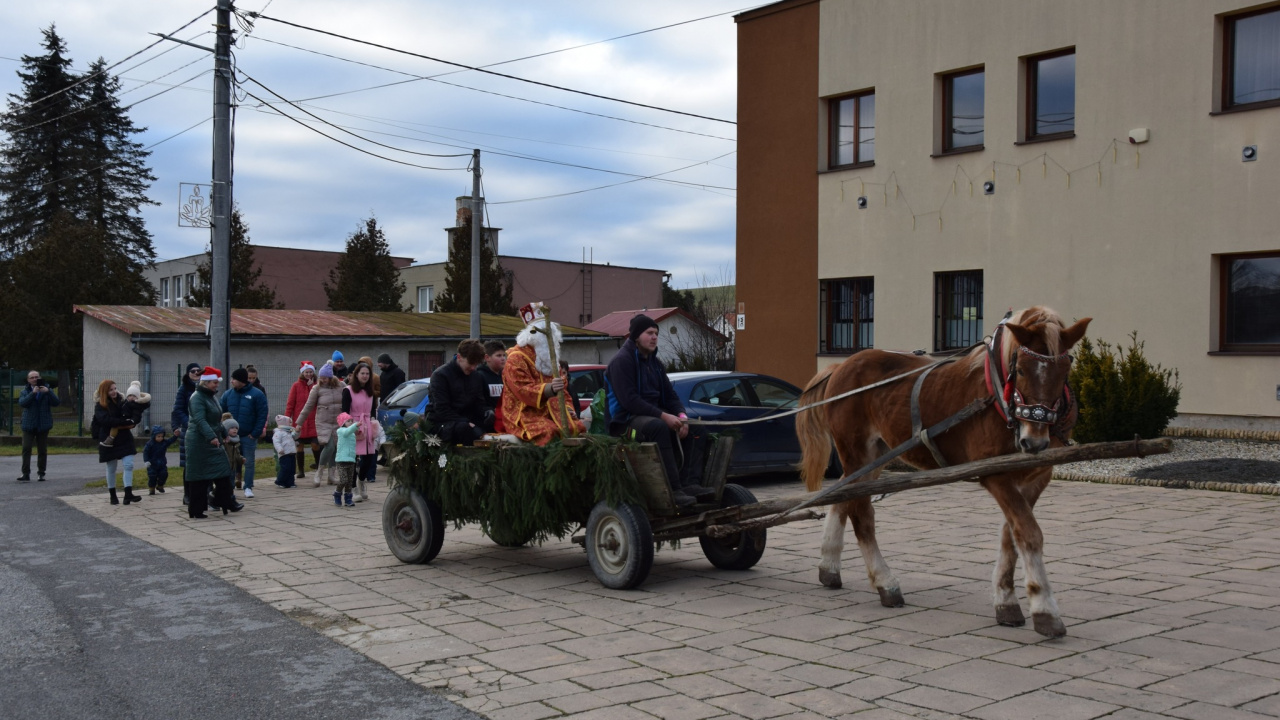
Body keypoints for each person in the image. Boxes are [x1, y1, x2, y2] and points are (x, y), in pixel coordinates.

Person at [605, 314, 712, 508]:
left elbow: (670, 396)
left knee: (697, 430)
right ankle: (673, 489)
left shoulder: (655, 364)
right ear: (636, 336)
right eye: (649, 333)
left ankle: (690, 483)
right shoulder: (622, 361)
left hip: (651, 415)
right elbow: (629, 401)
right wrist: (664, 416)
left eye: (656, 333)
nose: (654, 337)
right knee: (658, 427)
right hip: (625, 422)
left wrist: (681, 416)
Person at [502, 322, 584, 446]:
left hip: (552, 410)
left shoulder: (549, 358)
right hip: (525, 412)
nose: (552, 342)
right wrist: (549, 389)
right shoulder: (516, 358)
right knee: (548, 432)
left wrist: (568, 408)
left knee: (577, 427)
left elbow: (563, 390)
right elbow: (522, 389)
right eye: (547, 337)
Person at [184, 367, 240, 519]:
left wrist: (223, 433)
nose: (217, 385)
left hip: (212, 440)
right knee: (199, 477)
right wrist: (212, 437)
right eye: (215, 382)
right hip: (198, 442)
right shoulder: (196, 398)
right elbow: (200, 420)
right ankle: (196, 510)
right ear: (206, 382)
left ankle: (223, 500)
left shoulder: (211, 397)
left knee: (223, 471)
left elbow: (216, 419)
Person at [427, 339, 493, 446]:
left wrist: (487, 412)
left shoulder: (475, 376)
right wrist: (467, 423)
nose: (473, 368)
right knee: (464, 429)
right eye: (471, 363)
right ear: (459, 357)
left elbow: (479, 403)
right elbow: (442, 409)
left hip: (466, 420)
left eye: (476, 364)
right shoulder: (440, 375)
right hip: (443, 423)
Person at [92, 379, 143, 506]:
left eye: (115, 388)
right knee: (111, 467)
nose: (114, 391)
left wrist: (135, 416)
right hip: (109, 439)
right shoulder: (100, 405)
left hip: (124, 437)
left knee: (129, 464)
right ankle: (112, 495)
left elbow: (133, 415)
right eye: (111, 390)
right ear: (105, 391)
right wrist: (125, 422)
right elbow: (105, 420)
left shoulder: (123, 401)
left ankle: (128, 494)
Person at [295, 361, 344, 486]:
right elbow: (308, 406)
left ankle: (332, 476)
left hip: (338, 421)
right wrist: (299, 422)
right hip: (324, 422)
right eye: (321, 377)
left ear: (331, 376)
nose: (322, 380)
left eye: (325, 378)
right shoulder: (317, 388)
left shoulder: (341, 385)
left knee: (335, 448)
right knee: (329, 446)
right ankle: (319, 472)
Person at [220, 367, 268, 498]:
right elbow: (221, 414)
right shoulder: (227, 395)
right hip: (230, 437)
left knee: (249, 462)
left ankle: (248, 487)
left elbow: (262, 414)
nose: (231, 382)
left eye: (233, 379)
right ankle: (229, 488)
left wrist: (255, 433)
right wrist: (224, 433)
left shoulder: (257, 394)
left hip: (248, 435)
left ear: (241, 381)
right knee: (230, 462)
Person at [342, 362, 379, 502]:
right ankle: (352, 487)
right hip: (354, 425)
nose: (365, 376)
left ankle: (361, 480)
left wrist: (375, 426)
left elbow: (373, 411)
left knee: (369, 458)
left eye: (367, 374)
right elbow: (344, 412)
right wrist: (349, 427)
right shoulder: (348, 390)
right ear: (356, 374)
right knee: (352, 459)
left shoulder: (371, 393)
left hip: (367, 426)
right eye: (362, 373)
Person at [17, 370, 59, 482]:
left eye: (36, 377)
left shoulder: (46, 390)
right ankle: (25, 473)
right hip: (28, 424)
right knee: (26, 448)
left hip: (43, 424)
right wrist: (33, 393)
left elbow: (56, 402)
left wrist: (48, 391)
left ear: (40, 378)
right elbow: (22, 403)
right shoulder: (25, 391)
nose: (35, 379)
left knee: (42, 450)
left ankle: (41, 473)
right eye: (32, 377)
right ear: (28, 380)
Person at [172, 363, 201, 504]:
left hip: (202, 430)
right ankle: (187, 494)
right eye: (193, 371)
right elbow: (177, 410)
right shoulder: (183, 389)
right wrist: (189, 423)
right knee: (188, 464)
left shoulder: (204, 388)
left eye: (198, 371)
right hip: (188, 430)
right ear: (188, 374)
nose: (196, 373)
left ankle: (202, 493)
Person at [286, 361, 319, 482]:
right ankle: (300, 470)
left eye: (311, 372)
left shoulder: (317, 385)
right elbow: (290, 403)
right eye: (306, 372)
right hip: (300, 421)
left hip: (313, 420)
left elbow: (316, 398)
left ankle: (318, 466)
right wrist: (287, 418)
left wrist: (311, 386)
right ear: (302, 373)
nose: (309, 374)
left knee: (315, 445)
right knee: (299, 446)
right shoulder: (296, 386)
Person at [101, 381, 150, 448]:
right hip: (122, 419)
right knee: (115, 426)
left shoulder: (137, 406)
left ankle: (110, 439)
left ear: (138, 397)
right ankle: (110, 439)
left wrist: (132, 421)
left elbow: (137, 416)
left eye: (134, 396)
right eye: (130, 395)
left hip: (127, 420)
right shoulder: (125, 402)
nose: (131, 397)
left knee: (115, 426)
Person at [475, 341, 507, 433]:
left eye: (504, 355)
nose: (503, 359)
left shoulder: (506, 376)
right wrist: (488, 411)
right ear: (487, 357)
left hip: (506, 420)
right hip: (488, 424)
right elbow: (478, 402)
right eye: (498, 356)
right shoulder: (479, 376)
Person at [332, 413, 359, 507]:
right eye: (348, 421)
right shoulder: (341, 431)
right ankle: (337, 493)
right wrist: (356, 425)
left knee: (349, 481)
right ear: (342, 422)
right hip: (341, 460)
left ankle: (348, 499)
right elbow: (347, 432)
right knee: (343, 480)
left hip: (351, 460)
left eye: (351, 421)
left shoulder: (351, 433)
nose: (351, 422)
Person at [142, 425, 178, 495]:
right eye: (158, 436)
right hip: (152, 464)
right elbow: (145, 452)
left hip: (162, 463)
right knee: (152, 476)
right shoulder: (150, 444)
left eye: (162, 436)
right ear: (154, 436)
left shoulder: (164, 442)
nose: (160, 438)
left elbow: (170, 441)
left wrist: (175, 436)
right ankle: (151, 489)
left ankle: (160, 485)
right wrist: (146, 461)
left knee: (164, 474)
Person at [273, 415, 297, 488]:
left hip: (292, 453)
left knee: (292, 468)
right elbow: (276, 442)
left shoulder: (290, 432)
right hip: (284, 453)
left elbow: (295, 437)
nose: (291, 424)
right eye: (289, 423)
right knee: (285, 468)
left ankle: (290, 482)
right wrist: (279, 449)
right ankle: (280, 481)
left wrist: (298, 431)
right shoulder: (278, 432)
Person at [222, 414, 245, 490]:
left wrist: (241, 459)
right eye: (232, 428)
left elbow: (237, 454)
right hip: (224, 467)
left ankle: (230, 497)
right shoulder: (224, 442)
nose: (235, 429)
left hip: (233, 467)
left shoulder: (236, 441)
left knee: (231, 484)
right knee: (224, 484)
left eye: (236, 428)